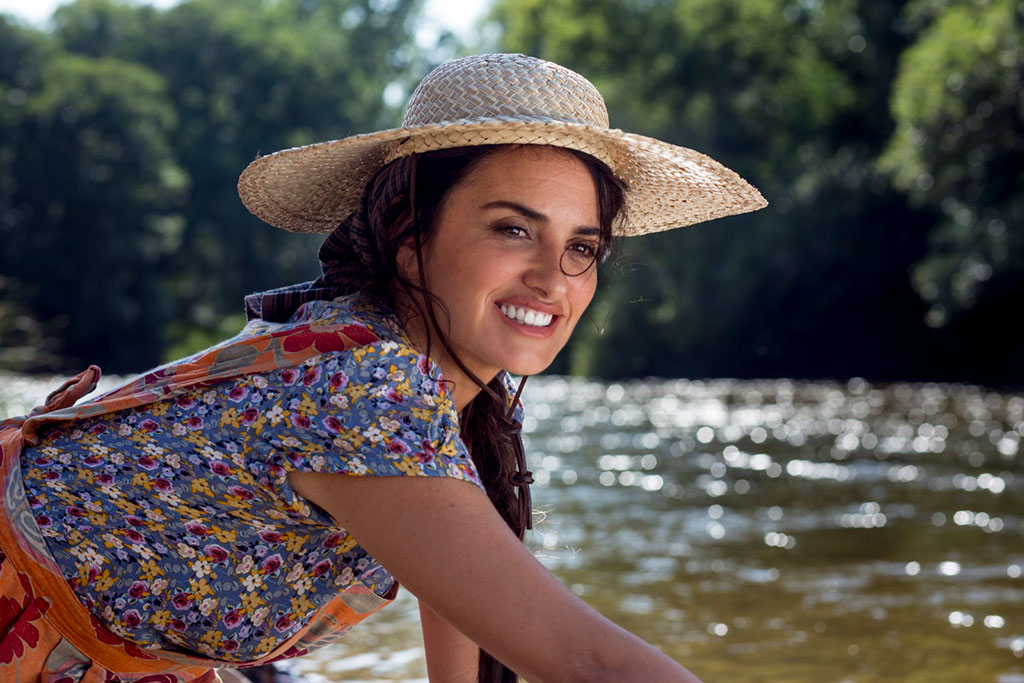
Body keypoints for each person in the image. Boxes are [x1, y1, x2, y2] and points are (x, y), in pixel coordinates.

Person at [0, 53, 766, 682]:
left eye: (582, 247)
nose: (553, 278)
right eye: (512, 229)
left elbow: (466, 601)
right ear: (409, 236)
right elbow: (588, 660)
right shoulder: (365, 388)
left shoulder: (425, 379)